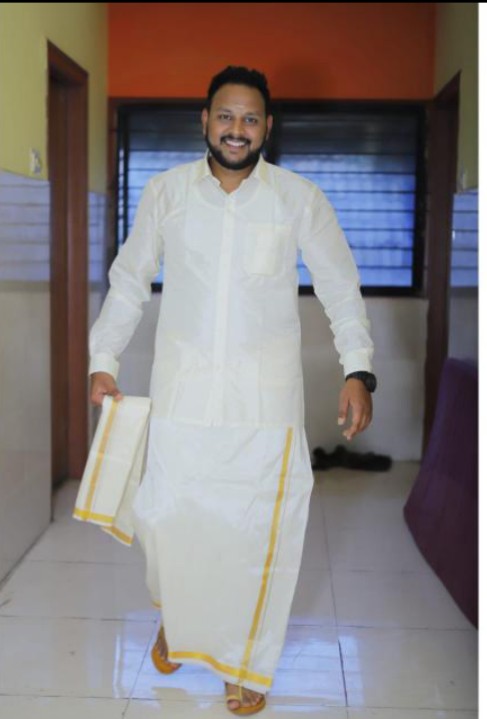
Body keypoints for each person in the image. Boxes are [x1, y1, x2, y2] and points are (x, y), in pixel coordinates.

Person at [89, 65, 375, 716]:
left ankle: (243, 664)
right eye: (225, 116)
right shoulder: (165, 193)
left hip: (263, 404)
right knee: (165, 520)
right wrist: (104, 358)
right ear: (204, 121)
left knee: (256, 538)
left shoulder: (299, 198)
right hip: (182, 395)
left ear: (267, 126)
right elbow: (130, 279)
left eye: (249, 118)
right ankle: (177, 614)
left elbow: (339, 287)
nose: (236, 129)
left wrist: (357, 369)